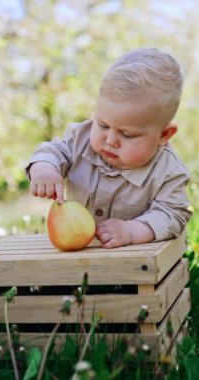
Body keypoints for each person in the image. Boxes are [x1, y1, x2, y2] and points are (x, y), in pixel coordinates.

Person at [26, 47, 192, 248]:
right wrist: (44, 168)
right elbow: (53, 151)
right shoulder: (81, 138)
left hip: (134, 264)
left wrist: (132, 231)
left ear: (163, 135)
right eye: (103, 125)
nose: (110, 140)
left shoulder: (169, 172)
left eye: (127, 134)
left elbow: (173, 214)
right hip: (78, 255)